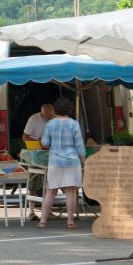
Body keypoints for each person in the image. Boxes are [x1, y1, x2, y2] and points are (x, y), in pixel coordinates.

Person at [39, 97, 85, 230]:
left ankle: (43, 221)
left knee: (50, 191)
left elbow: (45, 143)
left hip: (55, 161)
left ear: (55, 110)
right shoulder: (74, 124)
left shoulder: (50, 124)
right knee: (71, 192)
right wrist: (84, 162)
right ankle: (70, 221)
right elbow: (80, 145)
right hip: (72, 161)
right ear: (69, 109)